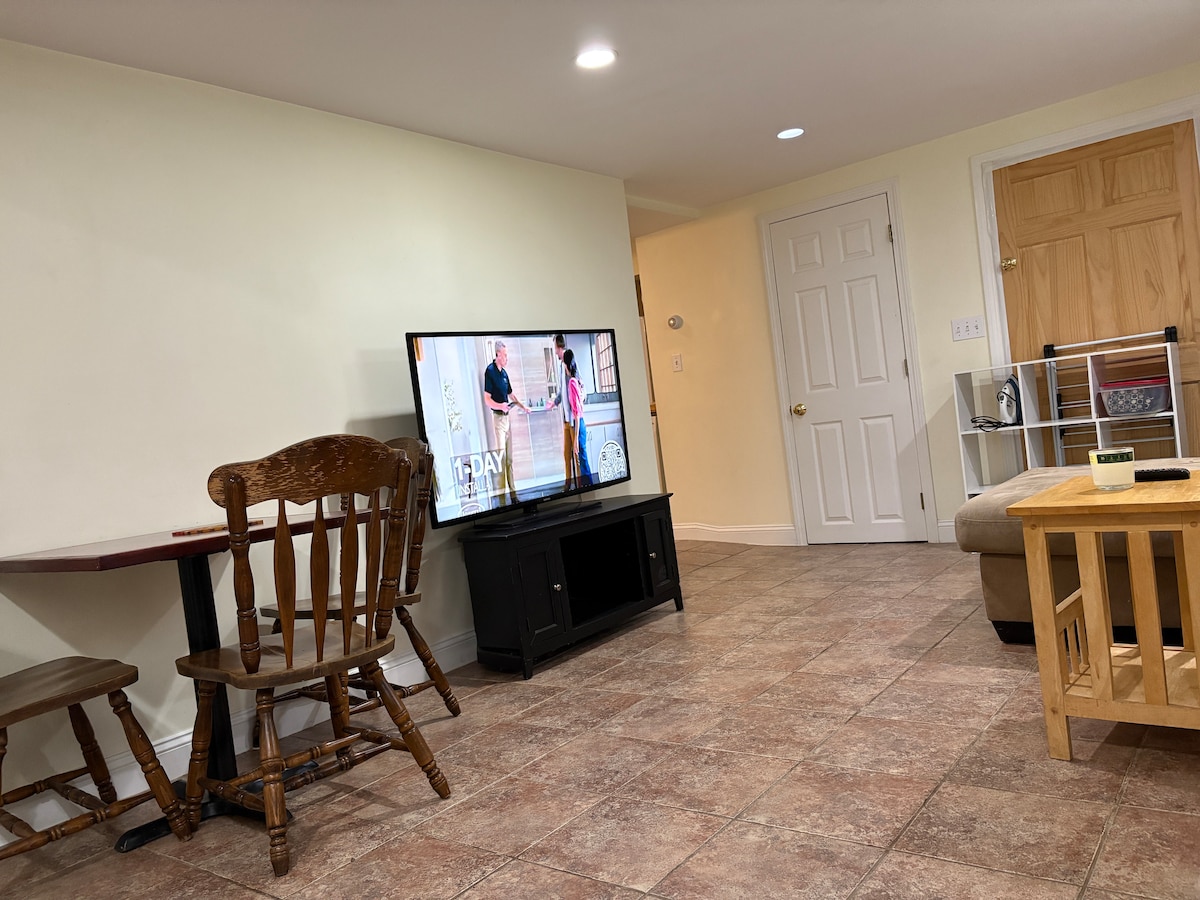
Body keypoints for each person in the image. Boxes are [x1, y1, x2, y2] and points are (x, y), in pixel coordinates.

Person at [482, 340, 527, 504]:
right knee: (501, 460)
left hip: (507, 420)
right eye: (505, 355)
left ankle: (514, 496)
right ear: (498, 354)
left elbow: (511, 394)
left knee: (509, 460)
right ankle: (501, 501)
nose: (507, 358)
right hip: (498, 420)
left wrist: (523, 406)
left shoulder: (504, 374)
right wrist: (500, 405)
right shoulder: (490, 371)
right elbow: (487, 399)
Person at [563, 348, 593, 488]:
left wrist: (574, 439)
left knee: (583, 461)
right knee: (583, 459)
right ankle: (589, 487)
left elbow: (576, 412)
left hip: (578, 424)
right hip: (581, 423)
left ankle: (589, 487)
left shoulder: (572, 383)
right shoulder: (578, 381)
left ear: (566, 364)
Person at [551, 334, 574, 490]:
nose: (554, 351)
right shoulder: (560, 366)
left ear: (559, 347)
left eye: (555, 348)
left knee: (576, 454)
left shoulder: (569, 362)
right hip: (565, 418)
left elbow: (578, 384)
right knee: (566, 453)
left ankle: (580, 485)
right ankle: (568, 484)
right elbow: (562, 391)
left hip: (573, 418)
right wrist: (554, 402)